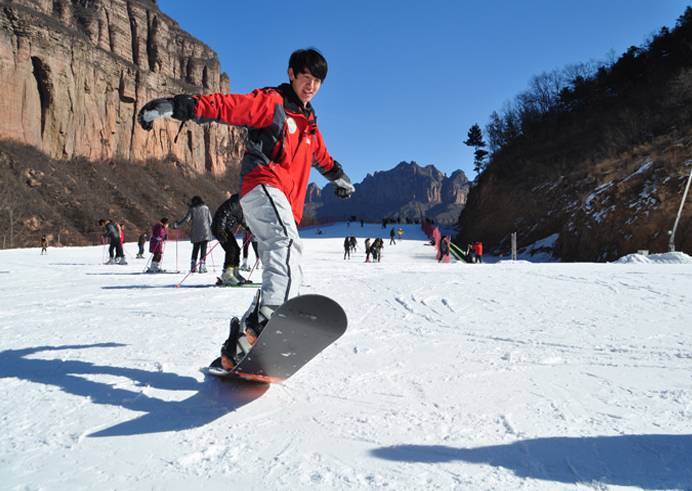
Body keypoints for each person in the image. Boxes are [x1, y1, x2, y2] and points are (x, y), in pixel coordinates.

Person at [138, 48, 354, 367]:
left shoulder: (308, 123)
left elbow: (320, 156)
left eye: (318, 81)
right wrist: (178, 106)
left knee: (281, 261)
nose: (311, 86)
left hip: (283, 204)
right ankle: (271, 316)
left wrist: (339, 177)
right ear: (291, 74)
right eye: (306, 77)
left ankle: (242, 343)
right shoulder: (272, 102)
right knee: (286, 244)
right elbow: (229, 107)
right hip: (263, 184)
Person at [212, 192, 248, 286]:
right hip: (219, 227)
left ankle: (234, 273)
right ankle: (227, 274)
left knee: (236, 249)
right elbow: (223, 213)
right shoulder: (235, 202)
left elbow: (242, 220)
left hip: (224, 228)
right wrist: (220, 229)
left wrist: (251, 229)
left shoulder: (241, 206)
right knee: (231, 249)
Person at [172, 196, 213, 273]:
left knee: (195, 248)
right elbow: (210, 221)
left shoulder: (192, 209)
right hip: (206, 232)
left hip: (196, 232)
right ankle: (202, 266)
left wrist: (177, 225)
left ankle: (193, 266)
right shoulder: (206, 208)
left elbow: (186, 219)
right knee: (204, 248)